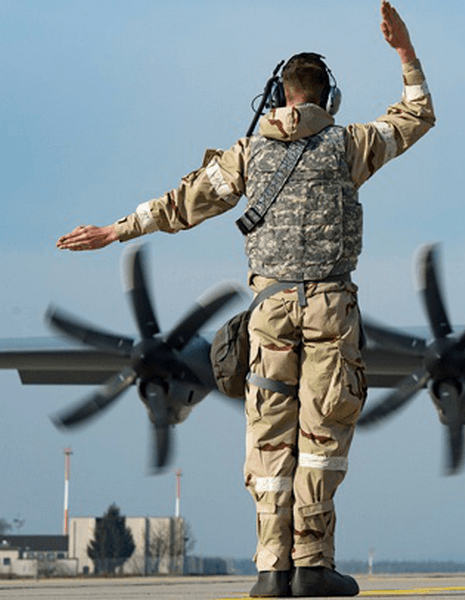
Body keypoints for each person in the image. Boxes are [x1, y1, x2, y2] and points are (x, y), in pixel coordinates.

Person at [56, 2, 434, 596]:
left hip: (270, 311)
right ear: (326, 98)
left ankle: (269, 569)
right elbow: (417, 114)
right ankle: (313, 566)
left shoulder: (248, 154)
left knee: (268, 436)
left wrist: (115, 229)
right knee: (322, 437)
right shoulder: (350, 145)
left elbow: (181, 203)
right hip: (331, 310)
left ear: (279, 95)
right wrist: (404, 50)